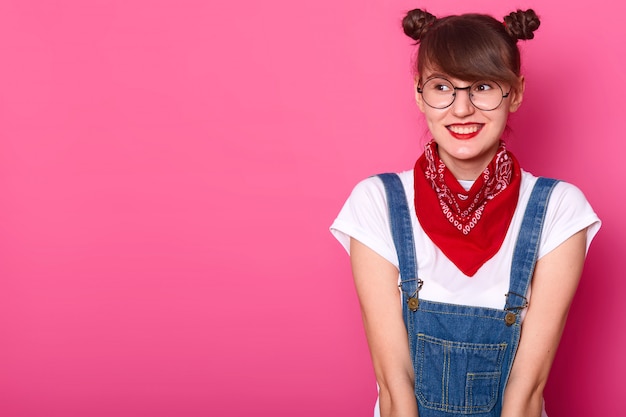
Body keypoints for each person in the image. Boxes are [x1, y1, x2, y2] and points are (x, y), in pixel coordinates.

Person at [330, 8, 601, 417]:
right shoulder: (378, 202)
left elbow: (526, 392)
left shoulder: (559, 208)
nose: (461, 110)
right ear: (418, 93)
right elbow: (394, 383)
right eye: (442, 87)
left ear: (517, 91)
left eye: (484, 87)